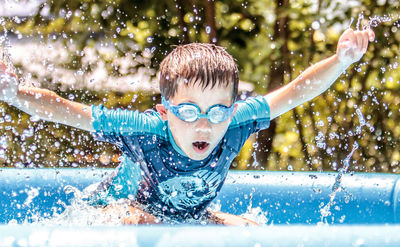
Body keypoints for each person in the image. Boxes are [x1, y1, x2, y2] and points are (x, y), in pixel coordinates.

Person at [0, 28, 375, 225]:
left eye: (216, 112)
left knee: (252, 233)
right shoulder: (144, 130)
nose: (204, 126)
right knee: (139, 221)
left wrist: (340, 61)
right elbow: (70, 110)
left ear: (231, 109)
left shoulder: (234, 125)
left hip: (190, 217)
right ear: (165, 111)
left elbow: (295, 93)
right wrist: (16, 94)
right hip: (117, 209)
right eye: (189, 112)